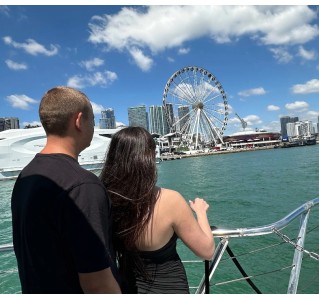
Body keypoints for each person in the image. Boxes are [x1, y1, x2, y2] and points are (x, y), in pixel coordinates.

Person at [11, 86, 121, 294]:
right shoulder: (82, 185)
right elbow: (97, 284)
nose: (93, 128)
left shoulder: (25, 177)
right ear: (79, 121)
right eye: (93, 121)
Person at [99, 126, 215, 294]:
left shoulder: (105, 198)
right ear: (149, 157)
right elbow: (207, 251)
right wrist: (201, 212)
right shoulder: (170, 200)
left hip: (126, 288)